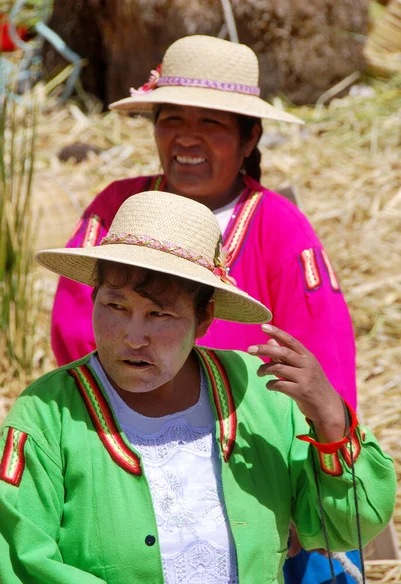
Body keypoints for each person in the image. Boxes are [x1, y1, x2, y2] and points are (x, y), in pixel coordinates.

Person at [51, 35, 358, 580]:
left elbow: (322, 365)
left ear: (249, 138)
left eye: (212, 123)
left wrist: (298, 479)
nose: (187, 138)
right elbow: (75, 324)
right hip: (117, 440)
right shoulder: (117, 207)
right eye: (171, 119)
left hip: (249, 466)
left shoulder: (281, 229)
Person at [0, 191, 396, 584]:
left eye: (160, 314)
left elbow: (348, 526)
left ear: (204, 319)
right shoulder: (46, 416)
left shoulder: (257, 395)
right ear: (93, 297)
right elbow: (21, 562)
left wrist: (329, 416)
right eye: (115, 306)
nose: (133, 337)